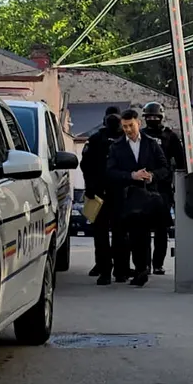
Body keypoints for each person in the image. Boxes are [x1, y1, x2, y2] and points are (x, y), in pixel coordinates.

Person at [105, 109, 172, 287]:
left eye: (130, 126)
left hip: (145, 197)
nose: (127, 129)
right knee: (121, 236)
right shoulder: (116, 146)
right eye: (124, 126)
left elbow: (164, 168)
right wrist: (131, 175)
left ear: (138, 123)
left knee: (141, 235)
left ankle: (142, 269)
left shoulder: (151, 144)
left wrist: (151, 176)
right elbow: (110, 171)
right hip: (124, 197)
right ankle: (121, 270)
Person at [80, 109, 128, 281]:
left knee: (118, 233)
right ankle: (106, 270)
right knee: (104, 234)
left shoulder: (126, 139)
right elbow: (86, 165)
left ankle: (119, 270)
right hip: (101, 193)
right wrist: (90, 187)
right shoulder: (96, 139)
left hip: (119, 192)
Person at [141, 101, 184, 275]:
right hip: (143, 186)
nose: (152, 119)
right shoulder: (141, 135)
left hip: (163, 187)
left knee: (161, 229)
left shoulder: (170, 136)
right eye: (149, 117)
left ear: (161, 117)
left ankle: (157, 263)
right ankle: (144, 264)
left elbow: (181, 161)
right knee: (142, 229)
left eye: (155, 117)